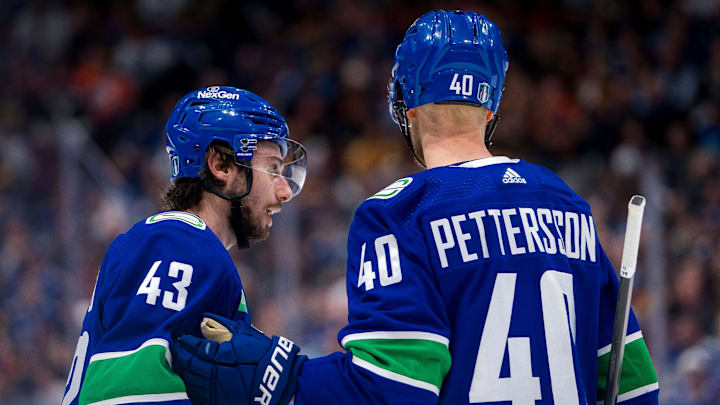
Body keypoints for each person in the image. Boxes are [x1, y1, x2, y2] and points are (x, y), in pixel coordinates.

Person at [171, 10, 660, 405]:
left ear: (406, 103)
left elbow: (396, 389)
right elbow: (635, 386)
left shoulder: (399, 213)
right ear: (491, 107)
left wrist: (285, 375)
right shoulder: (566, 203)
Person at [61, 86, 308, 405]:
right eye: (272, 168)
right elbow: (125, 396)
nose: (285, 191)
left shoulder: (171, 243)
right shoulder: (181, 244)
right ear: (221, 165)